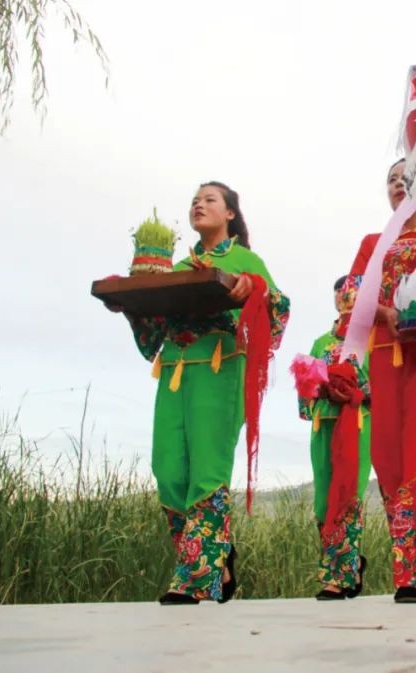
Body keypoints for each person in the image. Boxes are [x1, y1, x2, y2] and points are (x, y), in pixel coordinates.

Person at [112, 181, 290, 604]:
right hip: (174, 371)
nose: (199, 204)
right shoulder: (176, 266)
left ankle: (196, 579)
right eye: (195, 200)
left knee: (208, 472)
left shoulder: (246, 260)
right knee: (168, 471)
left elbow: (279, 310)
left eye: (210, 199)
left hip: (219, 369)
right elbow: (154, 332)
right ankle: (217, 559)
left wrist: (254, 288)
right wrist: (131, 304)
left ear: (230, 213)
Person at [338, 159, 416, 603]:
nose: (398, 184)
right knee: (388, 457)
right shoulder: (374, 243)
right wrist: (382, 311)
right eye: (392, 179)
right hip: (386, 356)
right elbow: (349, 294)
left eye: (407, 177)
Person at [298, 277, 372, 601]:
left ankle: (338, 577)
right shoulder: (320, 344)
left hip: (358, 424)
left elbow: (383, 386)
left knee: (348, 496)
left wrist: (355, 393)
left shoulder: (370, 342)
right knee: (323, 500)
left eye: (354, 295)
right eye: (341, 295)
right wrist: (321, 390)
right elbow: (304, 394)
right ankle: (345, 567)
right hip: (323, 425)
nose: (347, 300)